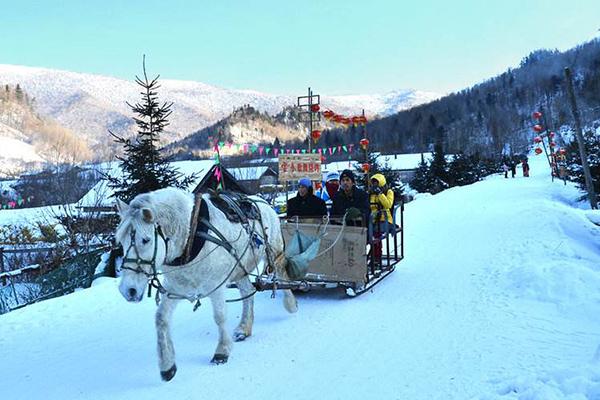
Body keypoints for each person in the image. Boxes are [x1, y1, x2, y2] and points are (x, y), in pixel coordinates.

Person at [369, 173, 395, 262]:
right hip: (373, 219)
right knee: (367, 233)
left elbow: (388, 204)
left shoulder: (388, 191)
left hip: (385, 219)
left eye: (376, 183)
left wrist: (380, 194)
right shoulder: (372, 193)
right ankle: (369, 255)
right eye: (373, 183)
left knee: (376, 234)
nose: (374, 185)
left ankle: (376, 257)